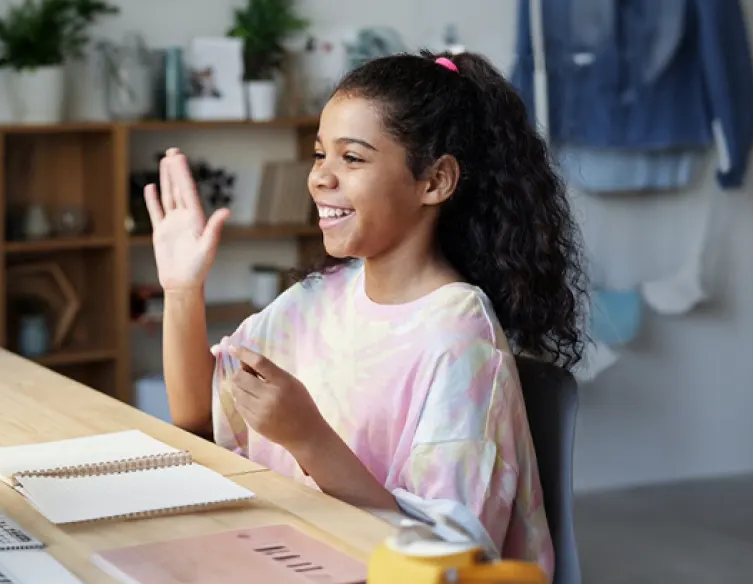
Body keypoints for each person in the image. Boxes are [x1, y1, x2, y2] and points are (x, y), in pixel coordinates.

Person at [143, 50, 587, 577]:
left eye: (351, 158)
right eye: (318, 154)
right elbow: (197, 419)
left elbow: (446, 557)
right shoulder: (314, 300)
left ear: (435, 181)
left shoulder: (462, 343)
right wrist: (182, 289)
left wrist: (309, 438)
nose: (320, 179)